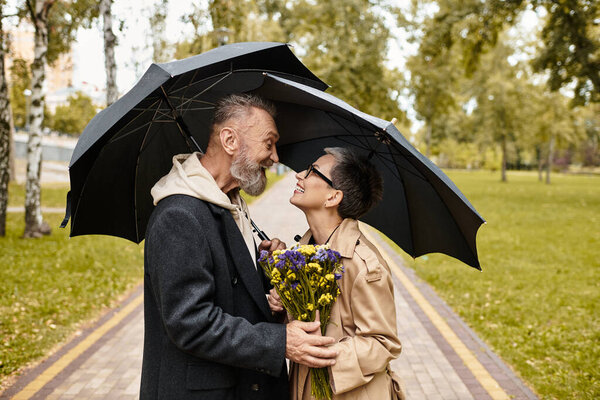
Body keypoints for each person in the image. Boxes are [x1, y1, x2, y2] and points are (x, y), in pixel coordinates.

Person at [141, 94, 338, 400]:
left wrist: (268, 270)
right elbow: (191, 321)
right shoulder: (179, 216)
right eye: (268, 143)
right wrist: (280, 342)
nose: (274, 157)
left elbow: (230, 285)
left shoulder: (228, 204)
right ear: (230, 140)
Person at [268, 147, 404, 400]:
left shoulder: (362, 264)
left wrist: (321, 354)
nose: (299, 175)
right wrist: (283, 304)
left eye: (312, 172)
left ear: (333, 197)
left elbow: (383, 342)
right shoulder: (305, 253)